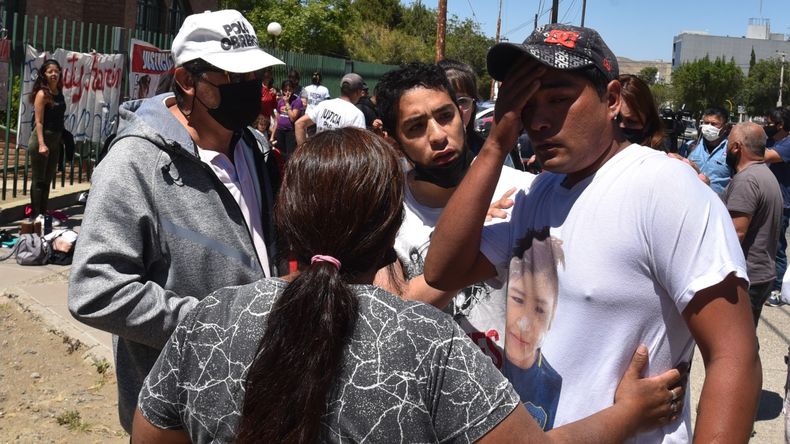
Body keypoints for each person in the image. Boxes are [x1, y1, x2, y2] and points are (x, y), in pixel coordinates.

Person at [132, 127, 684, 444]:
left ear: (287, 216)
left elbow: (151, 437)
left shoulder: (209, 319)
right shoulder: (427, 342)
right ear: (390, 227)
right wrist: (627, 414)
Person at [424, 23, 761, 442]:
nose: (539, 120)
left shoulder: (664, 189)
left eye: (560, 99)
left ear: (613, 99)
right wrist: (495, 144)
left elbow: (734, 355)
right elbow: (441, 270)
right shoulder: (539, 191)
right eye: (527, 102)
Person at [67, 9, 284, 433]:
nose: (250, 89)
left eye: (254, 76)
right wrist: (220, 324)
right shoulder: (134, 163)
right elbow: (93, 289)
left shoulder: (253, 146)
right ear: (187, 81)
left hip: (254, 395)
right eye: (233, 78)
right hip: (177, 413)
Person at [722, 121, 782, 326]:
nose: (726, 149)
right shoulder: (765, 174)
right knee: (746, 342)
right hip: (761, 275)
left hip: (748, 277)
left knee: (738, 345)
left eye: (728, 143)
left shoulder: (747, 180)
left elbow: (735, 233)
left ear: (736, 147)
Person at [439, 58, 521, 170]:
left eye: (462, 101)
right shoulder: (415, 157)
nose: (457, 111)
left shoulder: (495, 153)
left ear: (473, 106)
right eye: (446, 101)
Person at [28, 59, 65, 224]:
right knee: (39, 180)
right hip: (41, 140)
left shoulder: (59, 92)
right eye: (50, 71)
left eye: (56, 71)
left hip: (55, 141)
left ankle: (43, 213)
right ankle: (36, 215)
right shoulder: (42, 94)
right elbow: (39, 122)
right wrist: (42, 144)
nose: (54, 74)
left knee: (48, 179)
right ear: (44, 74)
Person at [763, 107, 790, 306]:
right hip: (766, 199)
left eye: (769, 122)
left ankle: (777, 288)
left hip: (782, 203)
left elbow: (766, 157)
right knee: (763, 243)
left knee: (777, 246)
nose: (766, 125)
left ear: (780, 125)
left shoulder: (787, 143)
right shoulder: (771, 141)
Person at [294, 73, 365, 145]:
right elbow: (359, 146)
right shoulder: (356, 114)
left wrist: (303, 151)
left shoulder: (324, 104)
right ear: (359, 92)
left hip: (318, 154)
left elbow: (299, 124)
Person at [685, 107, 732, 194]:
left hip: (718, 204)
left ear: (724, 127)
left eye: (714, 124)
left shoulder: (731, 150)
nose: (709, 127)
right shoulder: (690, 146)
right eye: (706, 123)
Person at [618, 74, 665, 150]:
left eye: (631, 121)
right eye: (615, 118)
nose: (621, 126)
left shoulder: (657, 159)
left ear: (648, 124)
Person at [274, 79, 303, 159]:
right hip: (280, 130)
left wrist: (287, 103)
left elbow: (293, 118)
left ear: (293, 89)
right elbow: (277, 119)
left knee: (290, 155)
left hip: (290, 131)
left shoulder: (297, 101)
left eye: (289, 90)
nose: (287, 92)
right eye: (285, 90)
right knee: (280, 154)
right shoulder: (280, 101)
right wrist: (273, 135)